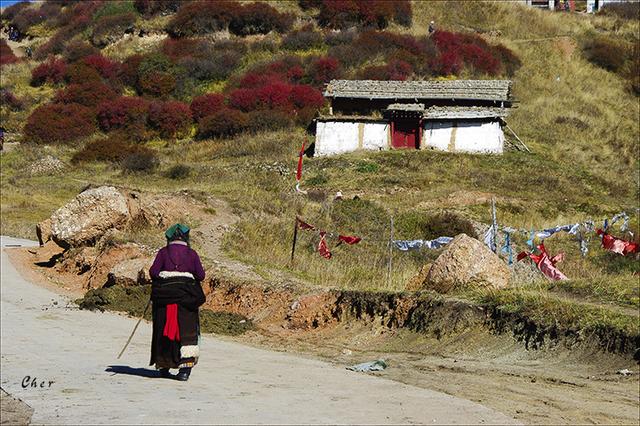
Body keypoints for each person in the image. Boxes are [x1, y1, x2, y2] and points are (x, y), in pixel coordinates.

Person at [149, 223, 206, 381]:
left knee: (163, 330)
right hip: (186, 300)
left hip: (164, 300)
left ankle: (164, 365)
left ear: (169, 238)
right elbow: (200, 275)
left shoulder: (163, 252)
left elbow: (153, 272)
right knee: (186, 332)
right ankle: (184, 370)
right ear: (186, 238)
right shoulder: (192, 254)